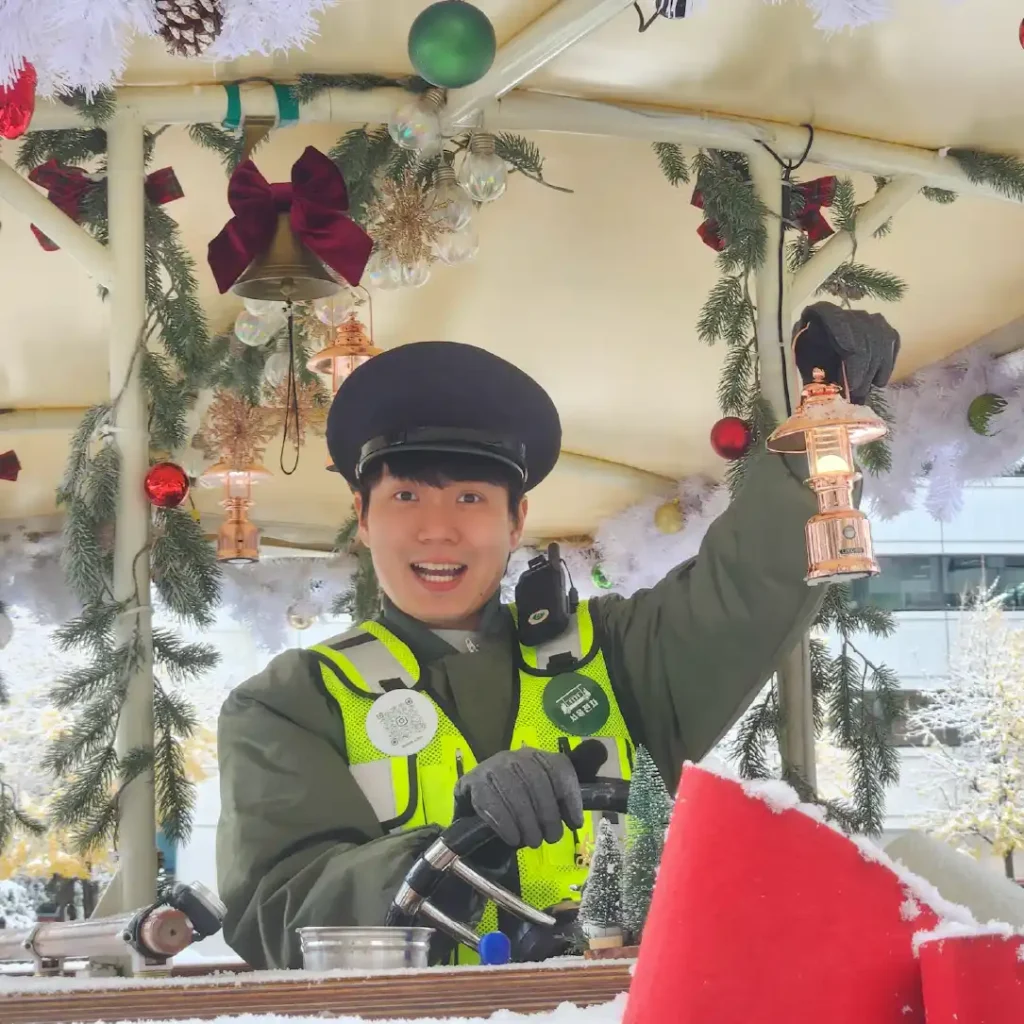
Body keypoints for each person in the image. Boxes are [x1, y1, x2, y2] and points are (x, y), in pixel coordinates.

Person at [216, 306, 899, 970]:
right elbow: (279, 909)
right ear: (361, 518)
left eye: (471, 499)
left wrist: (823, 422)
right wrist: (448, 849)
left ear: (517, 523)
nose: (438, 530)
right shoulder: (288, 704)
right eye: (405, 498)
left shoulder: (619, 655)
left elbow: (744, 589)